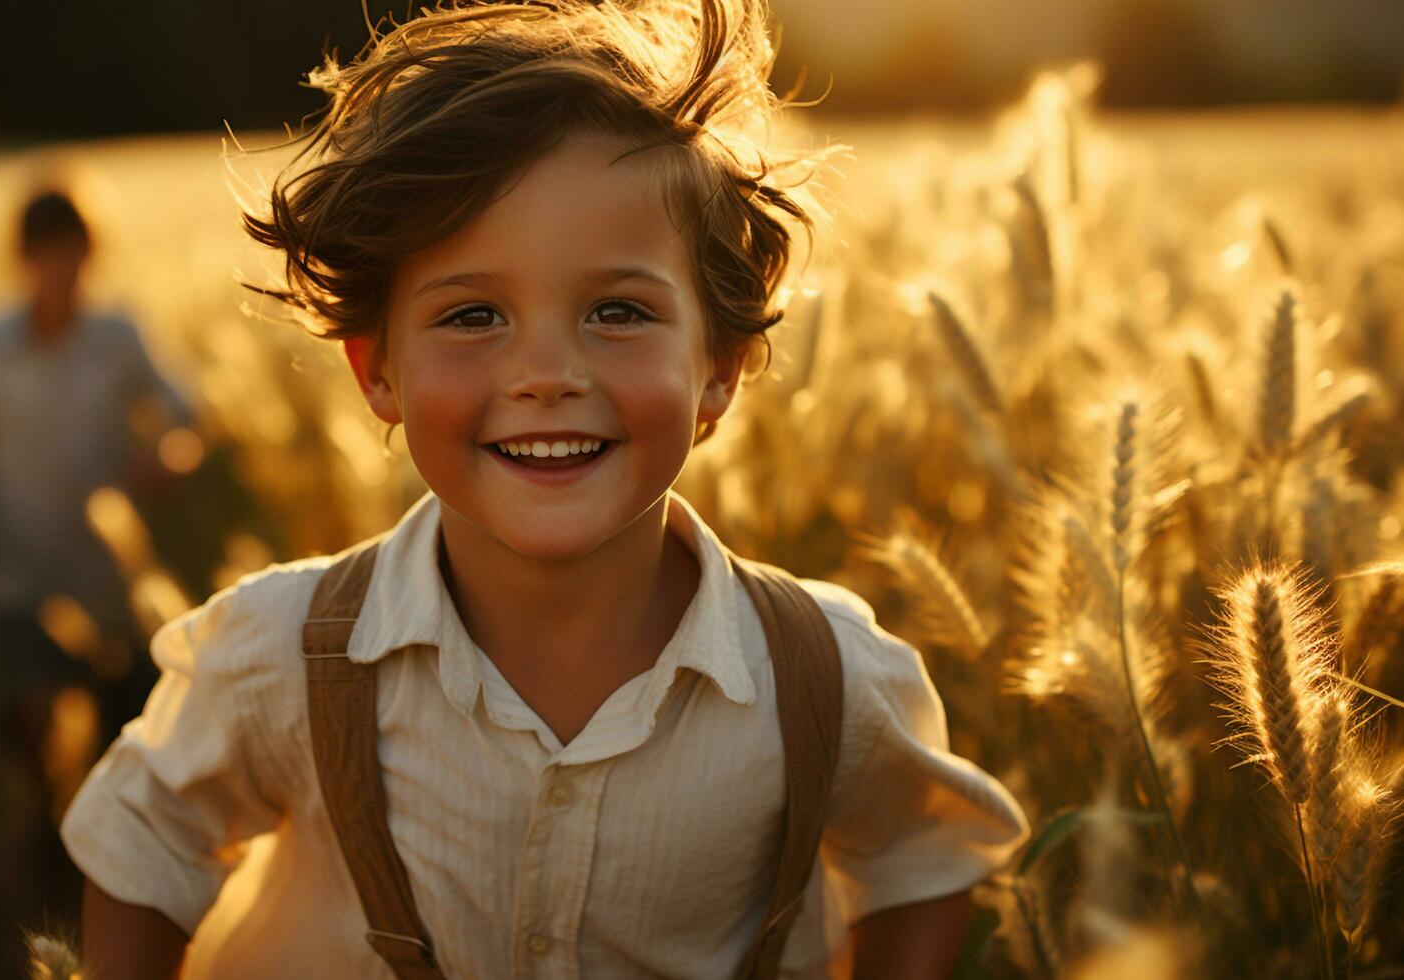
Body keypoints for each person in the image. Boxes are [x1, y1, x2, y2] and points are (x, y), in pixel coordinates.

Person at [62, 1, 1028, 977]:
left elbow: (918, 849)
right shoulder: (284, 655)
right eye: (473, 313)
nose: (545, 373)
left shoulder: (821, 678)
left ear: (719, 366)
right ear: (376, 370)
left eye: (617, 309)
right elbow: (146, 835)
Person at [0, 187, 195, 773]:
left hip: (108, 576)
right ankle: (44, 836)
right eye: (46, 253)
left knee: (119, 739)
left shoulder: (118, 335)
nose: (61, 269)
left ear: (90, 254)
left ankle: (92, 846)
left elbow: (186, 415)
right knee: (28, 724)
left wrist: (169, 457)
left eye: (72, 253)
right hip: (15, 570)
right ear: (22, 258)